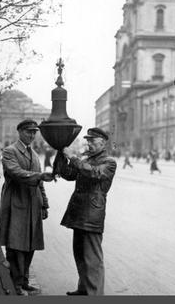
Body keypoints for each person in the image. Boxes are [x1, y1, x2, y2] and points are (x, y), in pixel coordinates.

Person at [58, 127, 117, 296]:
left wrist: (74, 158)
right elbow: (69, 175)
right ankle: (84, 289)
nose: (89, 143)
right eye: (88, 140)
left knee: (92, 258)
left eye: (92, 141)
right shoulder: (86, 158)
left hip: (92, 213)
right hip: (79, 211)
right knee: (80, 254)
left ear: (103, 142)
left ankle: (95, 294)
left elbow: (95, 173)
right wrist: (61, 156)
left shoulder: (109, 161)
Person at [0, 119, 54, 295]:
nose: (31, 135)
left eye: (34, 132)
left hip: (32, 205)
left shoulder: (35, 154)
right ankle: (14, 285)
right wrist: (39, 176)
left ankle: (23, 281)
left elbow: (40, 184)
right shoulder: (10, 151)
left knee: (30, 244)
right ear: (20, 132)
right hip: (16, 203)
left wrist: (44, 204)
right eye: (28, 132)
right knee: (15, 246)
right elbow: (16, 173)